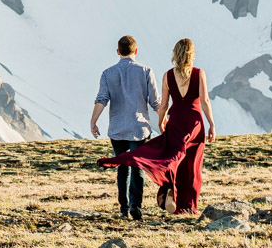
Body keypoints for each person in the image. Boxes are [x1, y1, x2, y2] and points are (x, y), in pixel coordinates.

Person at [99, 38, 215, 216]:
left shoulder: (168, 75)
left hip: (176, 121)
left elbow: (163, 105)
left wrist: (161, 122)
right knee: (192, 166)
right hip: (194, 124)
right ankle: (188, 206)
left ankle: (167, 189)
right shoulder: (199, 74)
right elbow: (205, 101)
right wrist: (211, 124)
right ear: (192, 54)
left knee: (172, 159)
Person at [90, 35, 159, 219]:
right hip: (139, 128)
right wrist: (164, 121)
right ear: (136, 51)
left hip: (118, 128)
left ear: (118, 52)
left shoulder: (107, 74)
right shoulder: (146, 71)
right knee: (138, 166)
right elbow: (155, 102)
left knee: (122, 166)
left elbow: (102, 99)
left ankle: (123, 208)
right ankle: (136, 206)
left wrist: (93, 121)